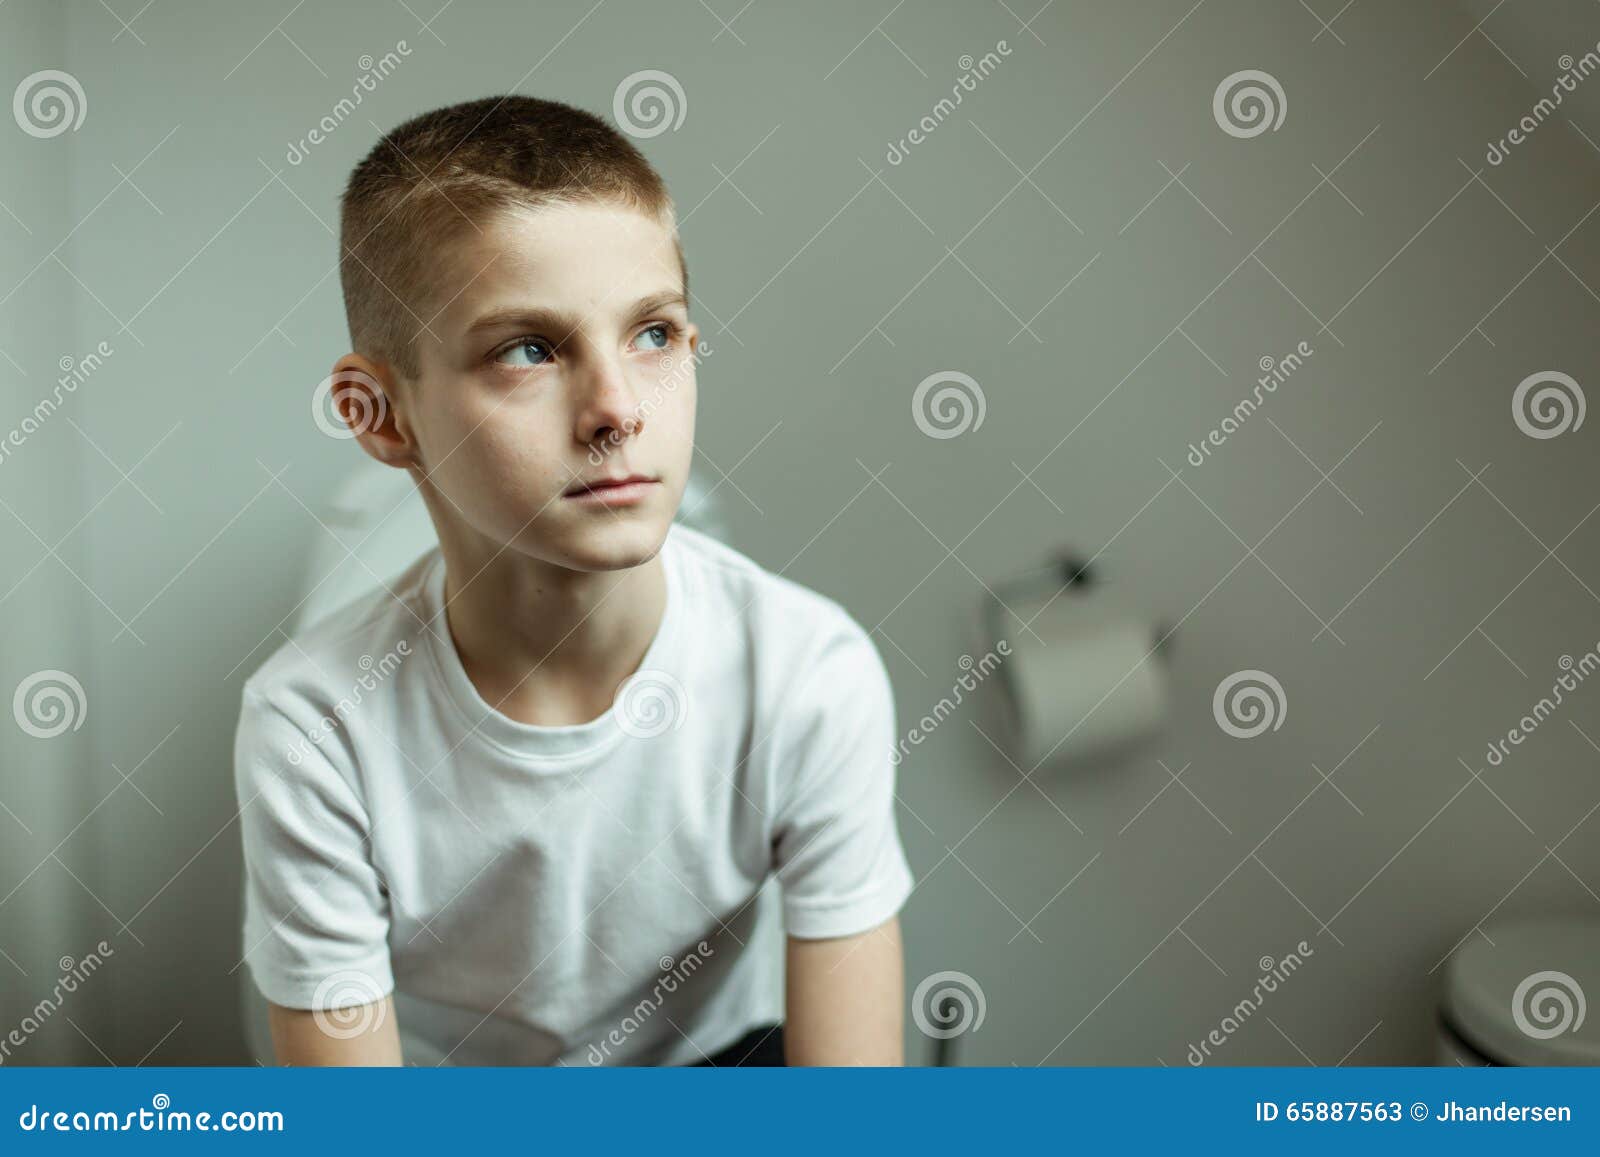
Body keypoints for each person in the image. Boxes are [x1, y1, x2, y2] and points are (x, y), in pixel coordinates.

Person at [233, 95, 913, 1066]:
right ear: (383, 415)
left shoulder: (807, 671)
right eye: (528, 349)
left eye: (653, 334)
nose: (615, 409)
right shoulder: (314, 726)